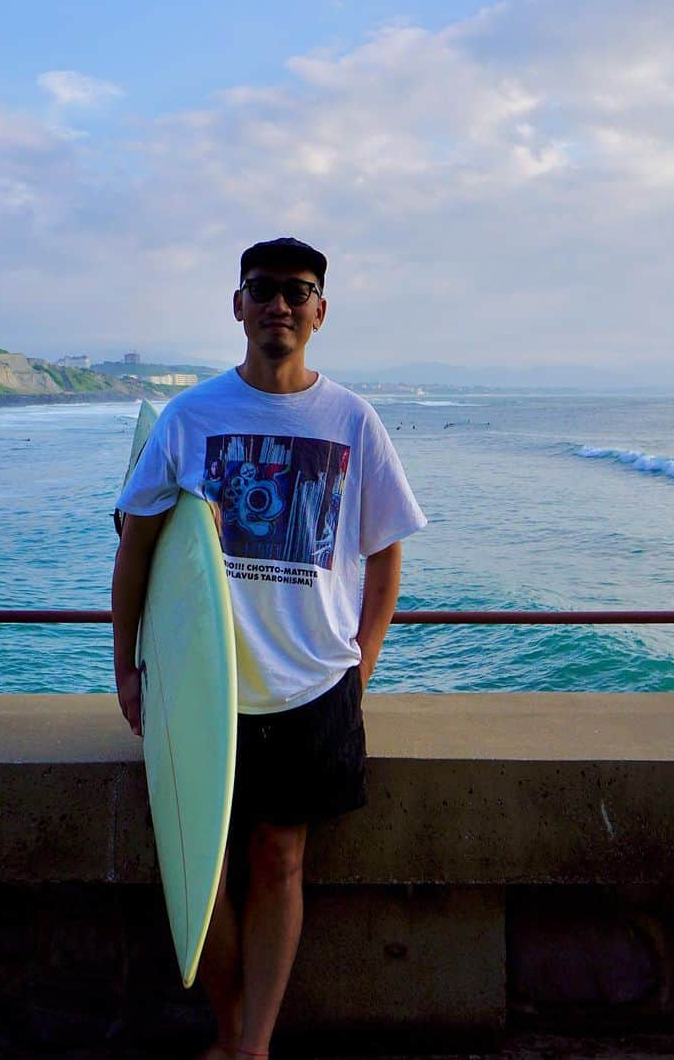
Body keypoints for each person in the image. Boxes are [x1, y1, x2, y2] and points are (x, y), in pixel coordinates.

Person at [112, 236, 426, 1060]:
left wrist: (367, 655)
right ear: (238, 305)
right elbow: (139, 546)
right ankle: (227, 1027)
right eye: (264, 289)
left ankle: (251, 1047)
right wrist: (127, 668)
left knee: (280, 858)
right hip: (202, 685)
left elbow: (388, 545)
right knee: (202, 869)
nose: (280, 304)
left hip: (313, 685)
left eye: (298, 290)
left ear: (321, 310)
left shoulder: (352, 420)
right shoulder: (190, 417)